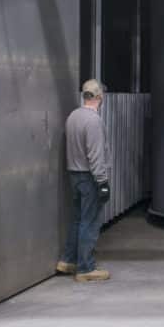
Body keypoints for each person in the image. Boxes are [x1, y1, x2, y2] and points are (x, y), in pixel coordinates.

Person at [57, 79, 111, 282]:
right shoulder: (94, 121)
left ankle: (68, 260)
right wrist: (103, 182)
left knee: (78, 220)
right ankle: (86, 268)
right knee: (90, 222)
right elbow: (95, 154)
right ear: (99, 97)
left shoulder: (73, 116)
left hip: (74, 175)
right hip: (90, 178)